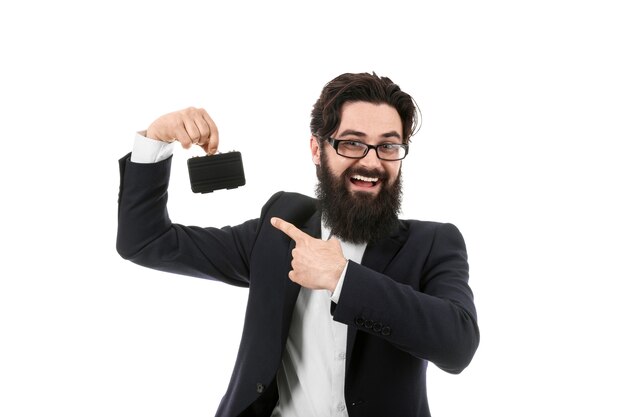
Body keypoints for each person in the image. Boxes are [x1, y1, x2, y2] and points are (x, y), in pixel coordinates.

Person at [116, 72, 479, 417]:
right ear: (317, 149)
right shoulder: (278, 230)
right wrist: (155, 140)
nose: (371, 160)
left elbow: (458, 345)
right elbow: (146, 241)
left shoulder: (432, 243)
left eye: (387, 146)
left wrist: (342, 278)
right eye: (352, 143)